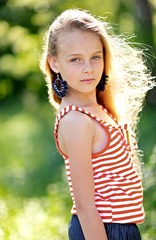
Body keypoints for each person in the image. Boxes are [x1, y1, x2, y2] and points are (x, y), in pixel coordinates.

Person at [40, 9, 155, 240]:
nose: (88, 68)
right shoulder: (76, 120)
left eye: (95, 57)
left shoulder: (98, 110)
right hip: (103, 229)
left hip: (121, 227)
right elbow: (85, 207)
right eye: (75, 60)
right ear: (54, 63)